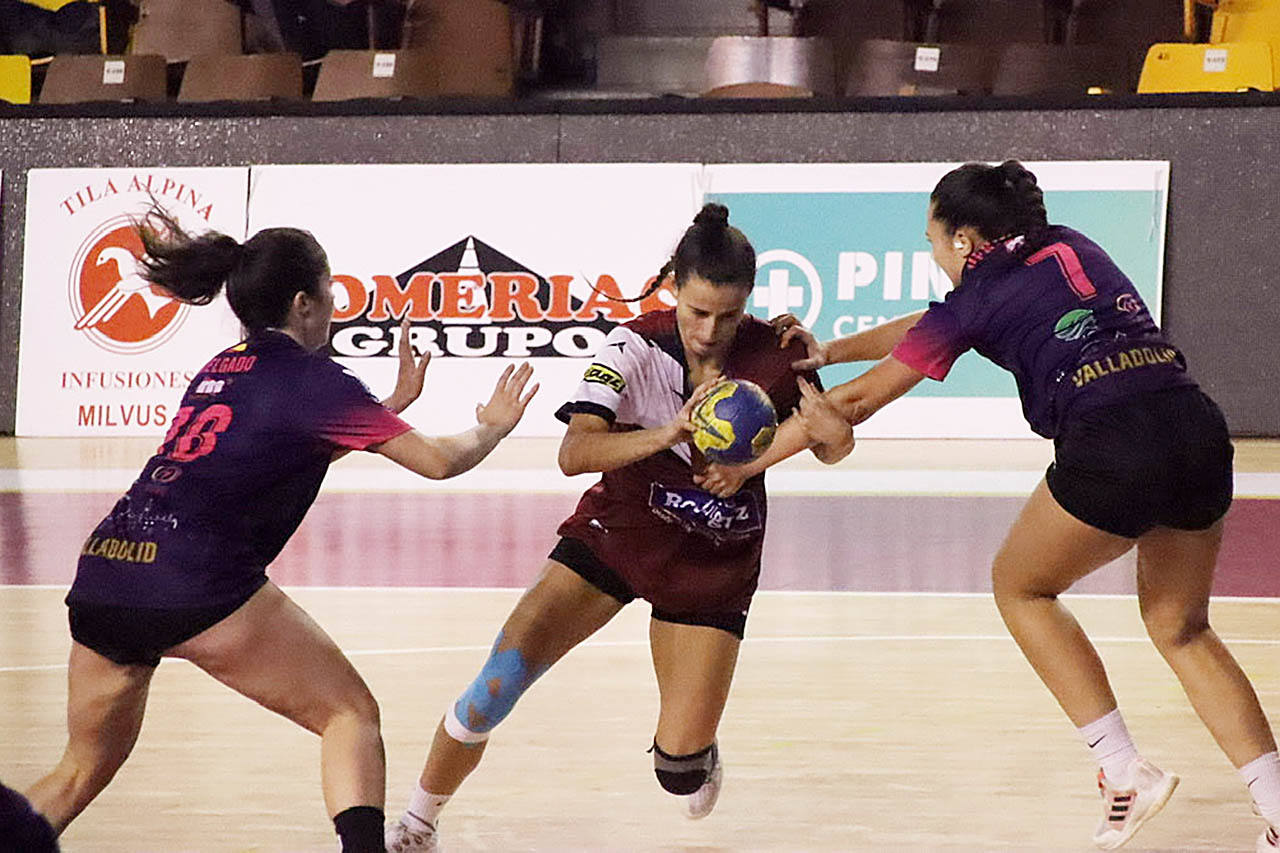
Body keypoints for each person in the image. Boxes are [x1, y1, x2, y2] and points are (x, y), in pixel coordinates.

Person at [699, 160, 1280, 851]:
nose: (933, 253)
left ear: (967, 241)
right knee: (1180, 627)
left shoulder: (977, 295)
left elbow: (855, 402)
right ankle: (1275, 803)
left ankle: (1123, 768)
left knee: (1020, 585)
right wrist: (831, 348)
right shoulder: (1069, 242)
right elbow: (939, 321)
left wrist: (748, 464)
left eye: (934, 240)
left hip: (1111, 439)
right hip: (1195, 426)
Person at [6, 209, 538, 852]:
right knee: (349, 715)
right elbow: (440, 463)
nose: (337, 307)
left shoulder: (220, 366)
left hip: (108, 570)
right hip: (195, 580)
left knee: (78, 770)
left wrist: (389, 406)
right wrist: (493, 426)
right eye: (331, 292)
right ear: (303, 303)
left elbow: (279, 447)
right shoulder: (314, 379)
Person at [384, 203, 855, 852]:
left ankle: (693, 752)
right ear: (673, 291)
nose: (709, 330)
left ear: (748, 302)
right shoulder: (632, 348)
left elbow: (830, 444)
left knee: (680, 774)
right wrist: (666, 432)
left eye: (728, 314)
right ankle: (415, 823)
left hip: (714, 559)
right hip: (617, 534)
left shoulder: (776, 357)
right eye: (696, 311)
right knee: (496, 682)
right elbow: (574, 453)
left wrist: (834, 438)